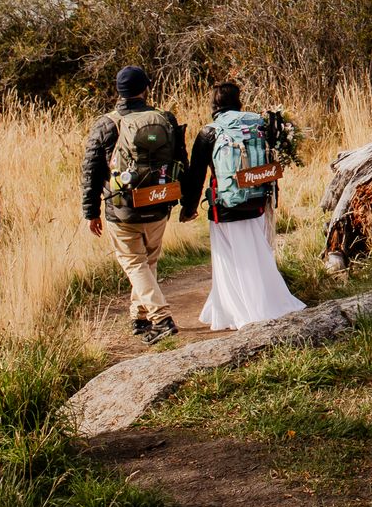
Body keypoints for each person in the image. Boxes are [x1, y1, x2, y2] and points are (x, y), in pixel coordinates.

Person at [180, 82, 305, 331]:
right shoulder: (258, 123)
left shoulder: (209, 132)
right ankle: (266, 300)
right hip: (257, 201)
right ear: (238, 101)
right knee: (257, 252)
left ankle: (234, 308)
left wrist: (188, 207)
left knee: (229, 258)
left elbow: (196, 175)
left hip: (225, 207)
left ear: (213, 105)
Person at [81, 65, 187, 343]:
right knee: (147, 261)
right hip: (159, 202)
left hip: (122, 207)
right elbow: (180, 160)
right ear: (145, 88)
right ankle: (139, 318)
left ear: (119, 91)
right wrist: (184, 199)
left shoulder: (106, 123)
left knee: (134, 263)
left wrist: (90, 212)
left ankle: (161, 318)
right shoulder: (165, 118)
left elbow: (91, 170)